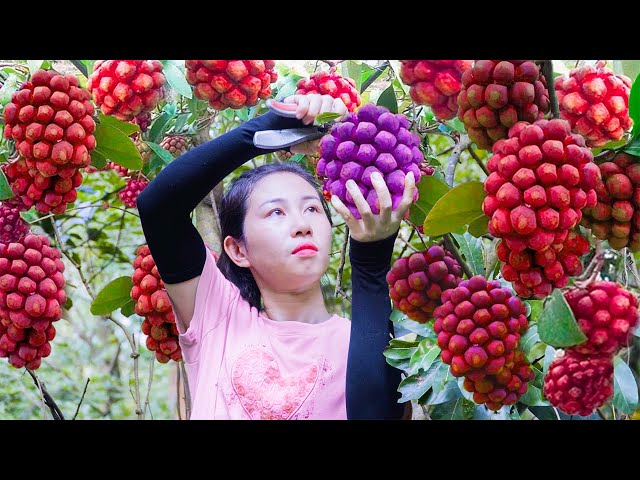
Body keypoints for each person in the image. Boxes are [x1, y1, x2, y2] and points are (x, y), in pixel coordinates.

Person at [136, 94, 416, 420]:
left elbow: (374, 414)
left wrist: (371, 263)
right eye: (276, 213)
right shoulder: (218, 318)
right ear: (238, 250)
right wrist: (266, 131)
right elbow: (159, 209)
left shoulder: (360, 339)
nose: (301, 225)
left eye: (312, 208)